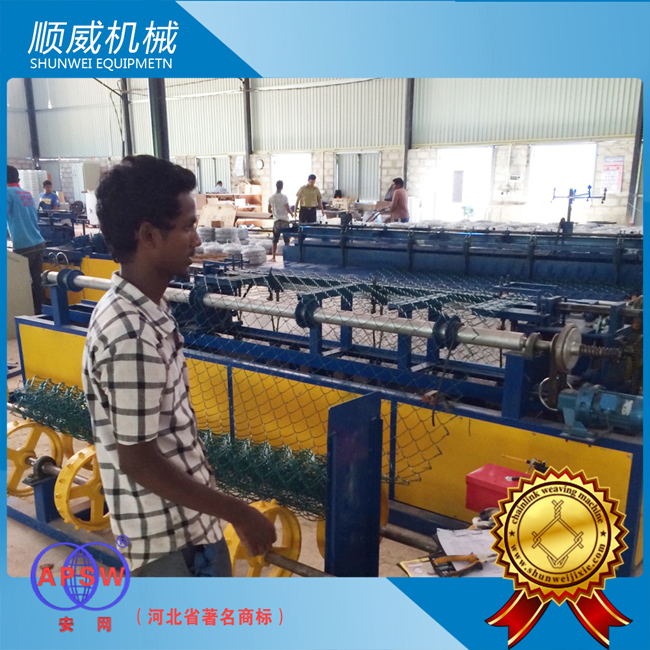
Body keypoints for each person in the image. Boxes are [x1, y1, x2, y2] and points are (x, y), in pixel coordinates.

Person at [83, 155, 277, 577]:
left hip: (188, 527)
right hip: (169, 547)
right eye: (188, 227)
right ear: (149, 235)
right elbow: (139, 461)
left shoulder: (147, 307)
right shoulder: (130, 333)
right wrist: (240, 513)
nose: (197, 239)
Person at [6, 165, 46, 314]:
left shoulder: (6, 193)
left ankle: (25, 315)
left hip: (23, 247)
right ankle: (40, 313)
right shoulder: (27, 194)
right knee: (37, 282)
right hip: (38, 243)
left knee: (20, 285)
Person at [267, 180, 294, 262]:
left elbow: (269, 210)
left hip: (277, 221)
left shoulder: (271, 197)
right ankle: (287, 258)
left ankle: (273, 257)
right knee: (286, 240)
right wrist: (292, 214)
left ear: (276, 186)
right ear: (282, 187)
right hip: (285, 220)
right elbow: (287, 208)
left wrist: (275, 212)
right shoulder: (284, 197)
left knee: (275, 240)